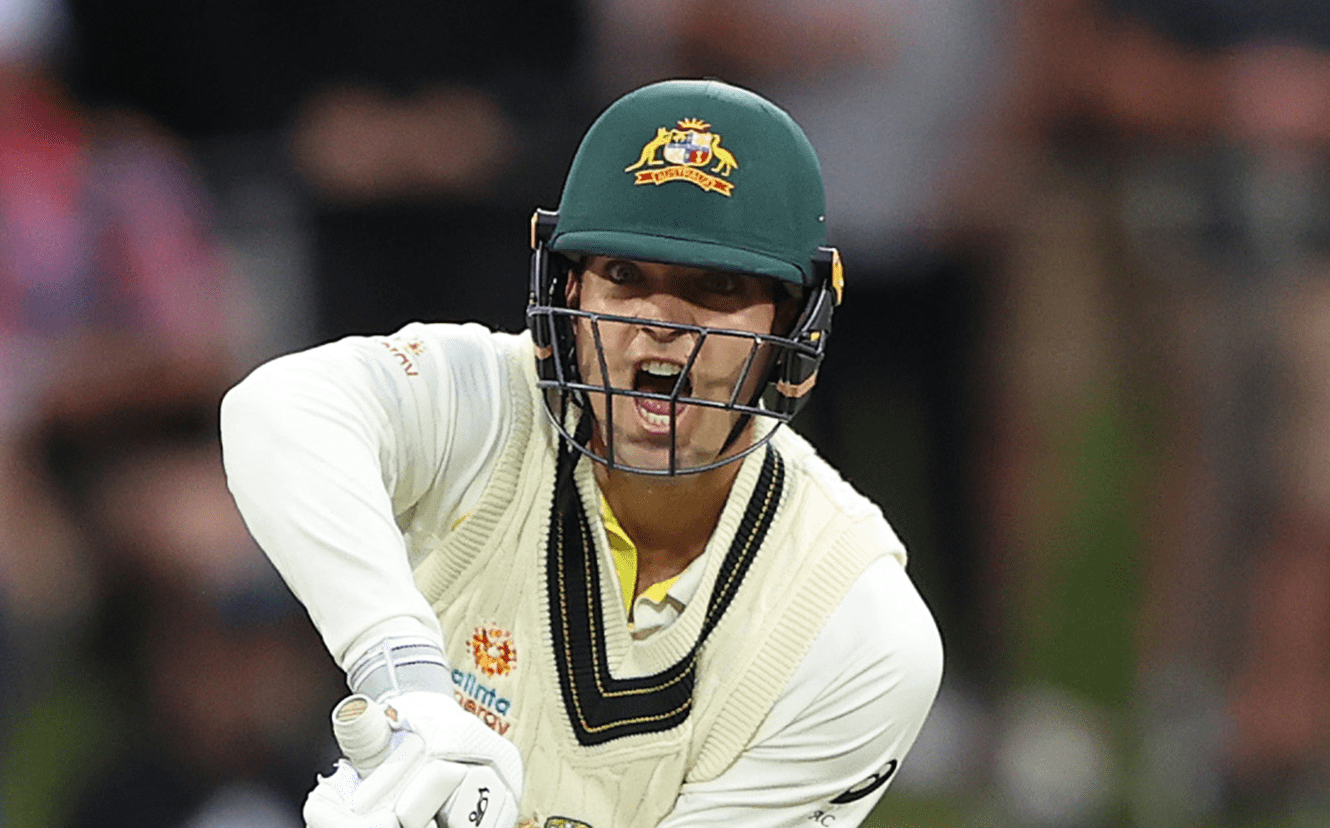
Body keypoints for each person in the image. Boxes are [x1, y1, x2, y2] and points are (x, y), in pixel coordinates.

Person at [221, 79, 942, 828]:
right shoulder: (488, 405)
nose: (663, 323)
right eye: (625, 275)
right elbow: (272, 410)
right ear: (565, 289)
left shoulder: (856, 629)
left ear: (798, 324)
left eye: (718, 286)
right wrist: (405, 681)